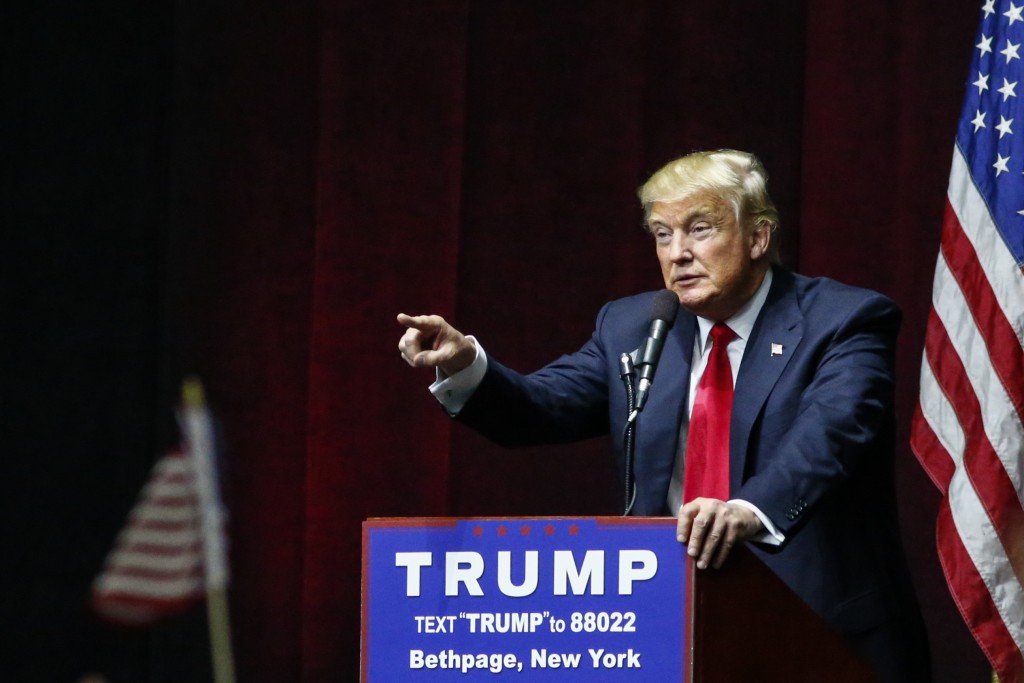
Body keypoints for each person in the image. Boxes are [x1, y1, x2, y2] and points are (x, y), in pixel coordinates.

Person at [397, 149, 929, 682]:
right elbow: (541, 408)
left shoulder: (845, 320)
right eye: (662, 234)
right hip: (670, 629)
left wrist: (747, 509)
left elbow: (832, 434)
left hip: (816, 632)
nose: (678, 254)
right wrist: (468, 365)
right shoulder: (635, 326)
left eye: (700, 229)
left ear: (758, 237)